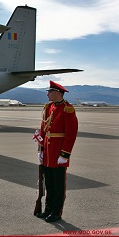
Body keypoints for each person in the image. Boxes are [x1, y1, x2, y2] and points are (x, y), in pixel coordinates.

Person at [35, 80, 78, 223]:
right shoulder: (48, 107)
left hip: (58, 152)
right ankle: (48, 209)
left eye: (49, 92)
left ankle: (56, 211)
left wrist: (64, 154)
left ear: (57, 93)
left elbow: (71, 133)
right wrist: (41, 149)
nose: (47, 94)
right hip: (48, 152)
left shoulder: (67, 109)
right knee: (49, 184)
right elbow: (43, 128)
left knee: (58, 184)